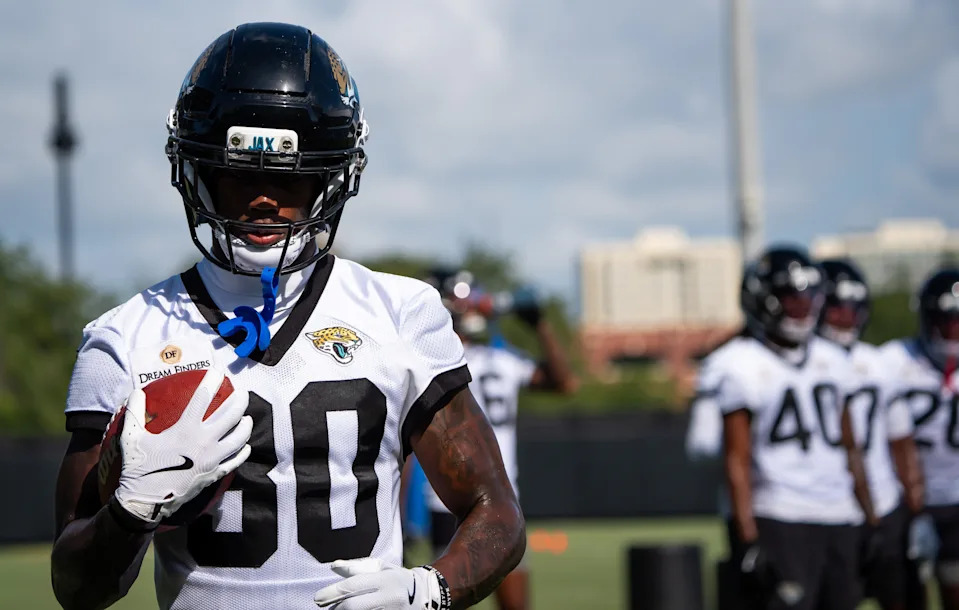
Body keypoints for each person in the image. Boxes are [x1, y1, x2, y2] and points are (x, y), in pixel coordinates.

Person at [50, 22, 525, 610]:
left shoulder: (401, 312)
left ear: (331, 176)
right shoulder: (125, 337)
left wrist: (428, 589)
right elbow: (76, 587)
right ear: (199, 171)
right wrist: (128, 515)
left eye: (289, 177)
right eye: (239, 174)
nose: (264, 198)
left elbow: (497, 510)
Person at [708, 245, 874, 610]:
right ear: (765, 299)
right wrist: (747, 539)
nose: (802, 307)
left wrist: (870, 518)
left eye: (807, 297)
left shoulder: (832, 359)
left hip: (839, 513)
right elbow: (736, 461)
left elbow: (851, 447)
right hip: (781, 515)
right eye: (791, 298)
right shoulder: (739, 363)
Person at [420, 269, 578, 610]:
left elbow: (564, 384)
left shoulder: (497, 359)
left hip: (496, 499)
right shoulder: (440, 357)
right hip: (450, 498)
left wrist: (539, 325)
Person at [817, 259, 925, 610]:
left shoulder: (880, 363)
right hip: (827, 508)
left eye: (853, 308)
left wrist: (915, 509)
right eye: (836, 308)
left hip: (883, 501)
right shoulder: (798, 364)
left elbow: (901, 441)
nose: (846, 318)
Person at [881, 268, 959, 610]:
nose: (953, 331)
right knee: (904, 591)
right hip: (907, 499)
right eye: (947, 321)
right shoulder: (892, 361)